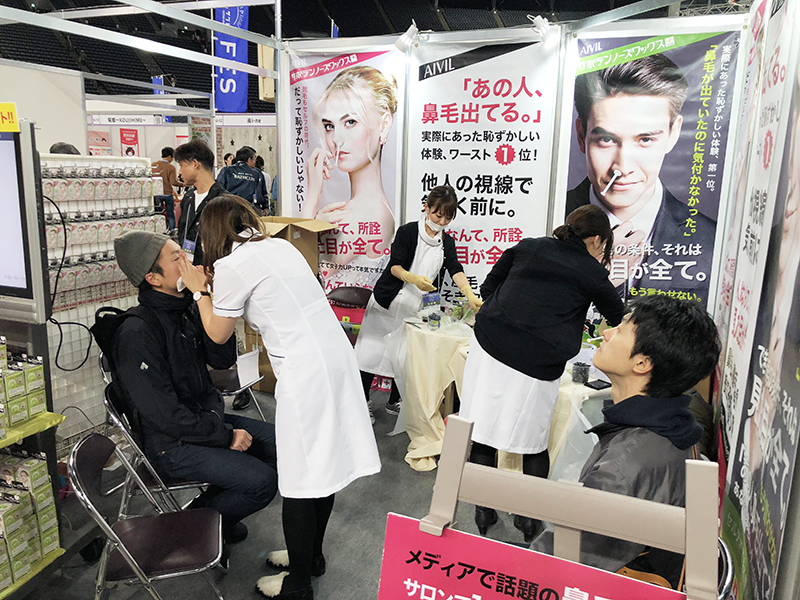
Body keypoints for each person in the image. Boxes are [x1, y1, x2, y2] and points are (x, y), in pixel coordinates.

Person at [177, 195, 381, 600]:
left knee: (300, 479)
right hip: (336, 358)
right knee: (322, 466)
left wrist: (200, 292)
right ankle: (311, 557)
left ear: (212, 233)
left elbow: (217, 333)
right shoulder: (279, 247)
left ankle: (298, 585)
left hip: (306, 374)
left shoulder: (232, 266)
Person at [110, 230, 279, 565]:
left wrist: (209, 300)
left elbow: (221, 359)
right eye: (177, 258)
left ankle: (218, 518)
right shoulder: (136, 333)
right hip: (170, 443)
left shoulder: (185, 309)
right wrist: (225, 437)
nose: (188, 263)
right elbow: (165, 415)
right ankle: (194, 522)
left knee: (280, 445)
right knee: (262, 482)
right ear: (153, 278)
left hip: (202, 420)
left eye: (184, 253)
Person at [459, 205, 625, 542]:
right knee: (532, 442)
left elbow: (489, 289)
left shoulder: (530, 246)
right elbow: (619, 317)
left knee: (483, 431)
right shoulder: (591, 271)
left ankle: (483, 510)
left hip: (489, 345)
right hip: (539, 360)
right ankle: (529, 519)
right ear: (596, 239)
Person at [532, 295, 720, 589]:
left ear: (643, 363)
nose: (606, 333)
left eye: (620, 330)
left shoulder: (624, 465)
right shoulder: (678, 425)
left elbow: (558, 560)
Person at [567, 54, 716, 295]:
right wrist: (596, 280)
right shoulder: (541, 221)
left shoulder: (713, 242)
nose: (622, 167)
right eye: (606, 139)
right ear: (581, 135)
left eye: (645, 139)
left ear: (674, 133)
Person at [355, 185, 482, 417]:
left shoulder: (447, 242)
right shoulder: (408, 232)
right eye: (437, 215)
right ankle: (362, 402)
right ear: (427, 207)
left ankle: (394, 401)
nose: (442, 222)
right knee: (370, 354)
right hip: (390, 300)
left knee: (403, 356)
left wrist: (469, 293)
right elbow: (394, 266)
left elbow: (455, 268)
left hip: (417, 306)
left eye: (448, 218)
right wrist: (411, 278)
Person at [303, 65, 398, 288]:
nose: (336, 138)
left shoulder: (370, 211)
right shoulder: (365, 207)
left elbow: (305, 272)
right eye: (329, 126)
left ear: (384, 125)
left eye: (350, 122)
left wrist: (313, 194)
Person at [175, 139, 227, 267]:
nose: (179, 172)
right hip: (188, 267)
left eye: (181, 165)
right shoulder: (188, 198)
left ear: (195, 164)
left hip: (212, 271)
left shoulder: (224, 201)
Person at [217, 146, 268, 212]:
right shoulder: (257, 173)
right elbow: (260, 192)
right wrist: (265, 207)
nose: (255, 162)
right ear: (249, 159)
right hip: (249, 210)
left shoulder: (226, 170)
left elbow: (218, 188)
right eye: (254, 159)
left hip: (229, 209)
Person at [151, 146, 180, 230]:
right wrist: (183, 184)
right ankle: (171, 231)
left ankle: (158, 231)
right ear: (170, 156)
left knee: (157, 215)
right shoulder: (171, 167)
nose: (172, 160)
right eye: (172, 157)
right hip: (168, 194)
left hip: (156, 193)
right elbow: (173, 182)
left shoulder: (153, 165)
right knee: (170, 215)